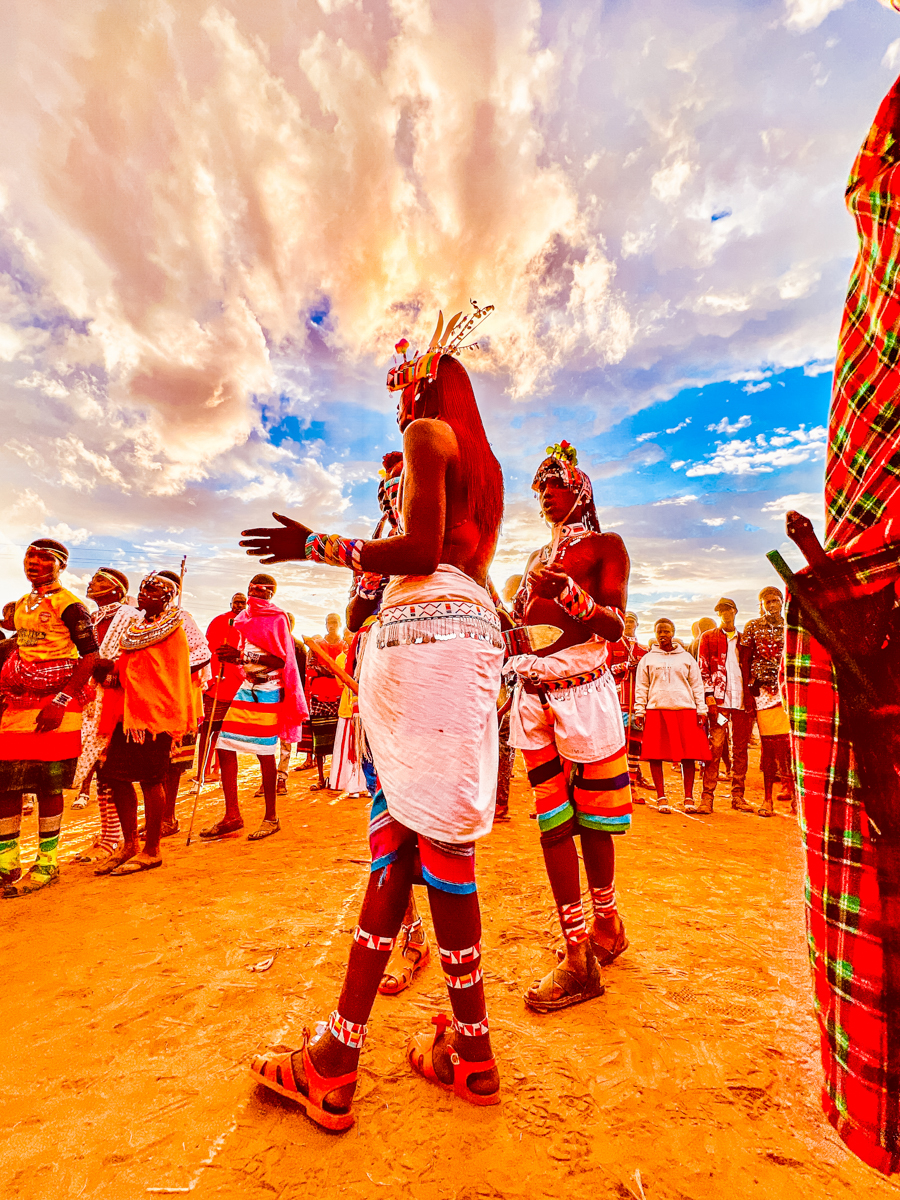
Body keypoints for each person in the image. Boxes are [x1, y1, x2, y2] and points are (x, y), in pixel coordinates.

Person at [242, 315, 504, 1126]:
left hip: (424, 639)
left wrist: (316, 545)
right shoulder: (483, 468)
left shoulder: (430, 433)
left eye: (401, 389)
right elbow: (438, 550)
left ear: (426, 385)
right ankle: (462, 1052)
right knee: (425, 840)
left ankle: (340, 1058)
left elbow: (420, 550)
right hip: (457, 637)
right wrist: (368, 581)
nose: (398, 410)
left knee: (411, 838)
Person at [507, 440, 631, 1011]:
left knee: (595, 821)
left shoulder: (607, 546)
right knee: (554, 821)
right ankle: (577, 948)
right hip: (537, 697)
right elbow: (523, 633)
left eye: (554, 483)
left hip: (586, 695)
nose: (546, 495)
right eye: (539, 489)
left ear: (579, 487)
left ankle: (606, 924)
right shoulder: (535, 557)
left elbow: (611, 622)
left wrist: (568, 593)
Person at [0, 539, 99, 897]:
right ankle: (7, 864)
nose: (35, 563)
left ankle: (47, 861)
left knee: (48, 785)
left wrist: (60, 700)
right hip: (19, 702)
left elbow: (90, 655)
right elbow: (23, 648)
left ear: (61, 566)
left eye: (45, 559)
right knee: (6, 784)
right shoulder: (24, 603)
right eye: (30, 556)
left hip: (57, 705)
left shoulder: (70, 605)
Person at [91, 573, 193, 875]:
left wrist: (121, 674)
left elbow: (167, 673)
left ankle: (152, 850)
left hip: (155, 715)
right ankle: (130, 844)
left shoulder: (174, 630)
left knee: (151, 781)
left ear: (167, 597)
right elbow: (129, 664)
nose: (144, 595)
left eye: (152, 591)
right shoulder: (136, 627)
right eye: (142, 590)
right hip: (128, 714)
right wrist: (112, 673)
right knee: (116, 777)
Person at [200, 574, 307, 840]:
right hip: (247, 687)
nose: (256, 594)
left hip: (269, 690)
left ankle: (271, 818)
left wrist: (241, 656)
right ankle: (232, 815)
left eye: (262, 590)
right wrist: (232, 658)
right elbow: (242, 651)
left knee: (264, 752)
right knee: (224, 747)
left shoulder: (277, 618)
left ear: (271, 593)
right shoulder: (243, 618)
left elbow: (281, 660)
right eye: (252, 588)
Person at [71, 568, 139, 860]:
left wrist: (111, 675)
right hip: (88, 699)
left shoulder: (130, 617)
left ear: (117, 590)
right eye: (92, 579)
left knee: (112, 769)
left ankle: (115, 836)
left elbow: (139, 658)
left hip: (117, 698)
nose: (91, 583)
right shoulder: (90, 619)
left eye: (99, 580)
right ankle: (110, 832)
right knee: (101, 768)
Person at [633, 619, 710, 813]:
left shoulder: (686, 658)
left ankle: (689, 798)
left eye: (666, 631)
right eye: (659, 632)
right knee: (655, 755)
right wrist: (640, 710)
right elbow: (641, 686)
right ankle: (661, 797)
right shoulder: (648, 659)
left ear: (673, 633)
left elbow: (697, 685)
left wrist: (701, 709)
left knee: (688, 755)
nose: (662, 635)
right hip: (656, 710)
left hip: (685, 710)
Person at [697, 598, 754, 815]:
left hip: (741, 704)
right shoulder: (709, 637)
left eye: (728, 610)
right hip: (720, 705)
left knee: (740, 748)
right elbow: (702, 667)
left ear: (735, 611)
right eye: (721, 611)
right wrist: (708, 695)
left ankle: (738, 796)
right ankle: (707, 798)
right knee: (716, 745)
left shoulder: (744, 640)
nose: (725, 614)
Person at [741, 586, 795, 816]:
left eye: (775, 601)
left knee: (791, 747)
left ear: (782, 602)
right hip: (762, 692)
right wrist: (747, 692)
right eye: (767, 601)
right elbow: (745, 659)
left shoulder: (790, 624)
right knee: (770, 745)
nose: (772, 605)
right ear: (761, 604)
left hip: (788, 690)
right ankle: (767, 800)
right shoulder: (752, 626)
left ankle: (795, 799)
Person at [195, 592, 247, 784]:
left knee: (226, 733)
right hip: (216, 683)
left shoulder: (249, 624)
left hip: (238, 686)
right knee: (207, 730)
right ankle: (201, 770)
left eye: (243, 603)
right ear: (231, 603)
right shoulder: (219, 621)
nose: (239, 606)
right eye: (236, 602)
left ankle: (219, 770)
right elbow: (208, 649)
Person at [608, 611, 650, 792]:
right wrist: (624, 666)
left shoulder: (644, 651)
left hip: (637, 703)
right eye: (626, 621)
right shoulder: (612, 645)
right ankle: (617, 784)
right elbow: (605, 669)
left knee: (635, 745)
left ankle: (631, 784)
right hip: (617, 702)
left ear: (637, 624)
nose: (630, 624)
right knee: (617, 744)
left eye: (633, 621)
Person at [306, 613, 348, 790]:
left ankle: (338, 777)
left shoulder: (345, 645)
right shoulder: (316, 646)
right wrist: (332, 670)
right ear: (325, 624)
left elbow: (347, 667)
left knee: (340, 739)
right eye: (329, 622)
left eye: (335, 622)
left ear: (339, 624)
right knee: (320, 740)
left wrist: (327, 670)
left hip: (340, 697)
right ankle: (321, 778)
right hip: (319, 695)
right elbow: (310, 668)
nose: (332, 625)